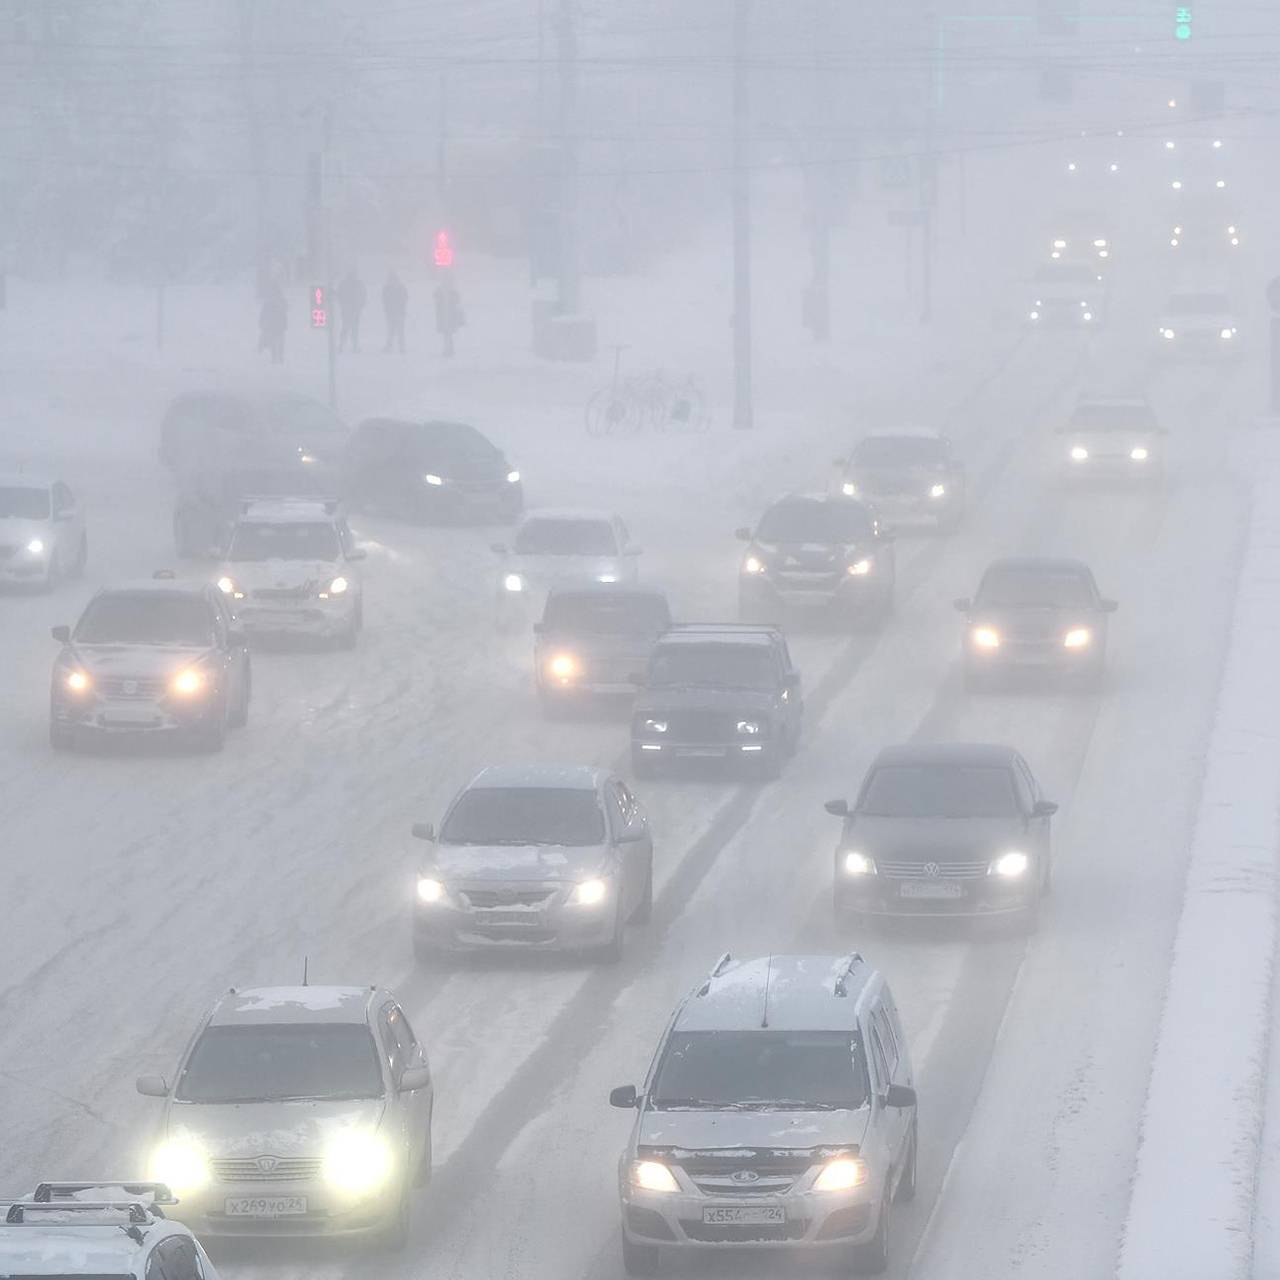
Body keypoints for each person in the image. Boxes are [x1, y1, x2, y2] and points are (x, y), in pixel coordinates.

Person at [337, 269, 367, 353]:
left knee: (347, 328)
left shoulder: (344, 284)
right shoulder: (357, 284)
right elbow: (363, 295)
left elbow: (363, 295)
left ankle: (343, 346)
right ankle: (351, 346)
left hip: (349, 309)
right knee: (352, 328)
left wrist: (361, 305)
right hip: (352, 309)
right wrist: (361, 305)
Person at [434, 276, 463, 358]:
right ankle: (449, 349)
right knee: (447, 334)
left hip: (447, 316)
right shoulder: (451, 291)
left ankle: (448, 350)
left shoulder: (446, 291)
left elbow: (436, 297)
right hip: (447, 316)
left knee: (447, 334)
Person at [259, 282, 287, 364]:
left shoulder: (271, 300)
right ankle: (278, 358)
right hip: (278, 324)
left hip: (274, 324)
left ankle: (276, 357)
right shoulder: (280, 299)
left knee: (274, 341)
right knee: (278, 341)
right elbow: (284, 309)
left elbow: (263, 312)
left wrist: (261, 321)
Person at [383, 268, 408, 354]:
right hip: (394, 313)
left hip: (396, 313)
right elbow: (405, 298)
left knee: (396, 330)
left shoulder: (388, 288)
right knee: (394, 330)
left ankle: (398, 347)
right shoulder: (399, 287)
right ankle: (397, 346)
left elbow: (385, 300)